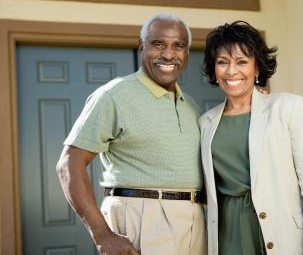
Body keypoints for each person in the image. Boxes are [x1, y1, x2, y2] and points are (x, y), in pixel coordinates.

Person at [56, 13, 207, 255]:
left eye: (178, 45)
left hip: (195, 220)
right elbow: (68, 166)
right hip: (143, 218)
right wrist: (102, 235)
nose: (169, 55)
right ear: (141, 47)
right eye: (159, 44)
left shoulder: (190, 105)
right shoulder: (114, 95)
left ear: (187, 53)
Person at [199, 21, 303, 255]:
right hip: (228, 233)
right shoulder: (205, 122)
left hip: (283, 230)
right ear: (214, 69)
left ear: (257, 68)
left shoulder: (288, 107)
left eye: (242, 62)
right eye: (223, 62)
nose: (232, 71)